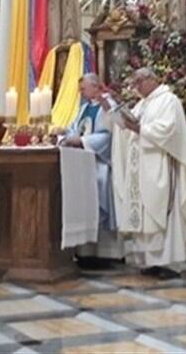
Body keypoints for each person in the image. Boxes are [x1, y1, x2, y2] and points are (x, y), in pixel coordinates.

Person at [106, 68, 186, 280]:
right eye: (134, 82)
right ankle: (149, 261)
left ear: (152, 79)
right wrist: (121, 124)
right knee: (142, 213)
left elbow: (167, 130)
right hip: (139, 168)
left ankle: (168, 262)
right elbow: (129, 131)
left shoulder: (169, 100)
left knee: (160, 212)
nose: (136, 86)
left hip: (160, 166)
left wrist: (139, 129)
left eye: (139, 81)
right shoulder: (141, 104)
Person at [60, 73, 123, 269]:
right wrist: (65, 133)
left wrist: (82, 141)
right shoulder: (85, 108)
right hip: (82, 165)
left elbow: (110, 135)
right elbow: (76, 130)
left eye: (83, 89)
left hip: (100, 164)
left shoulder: (108, 106)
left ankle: (106, 253)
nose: (81, 92)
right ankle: (85, 251)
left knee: (100, 198)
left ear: (96, 87)